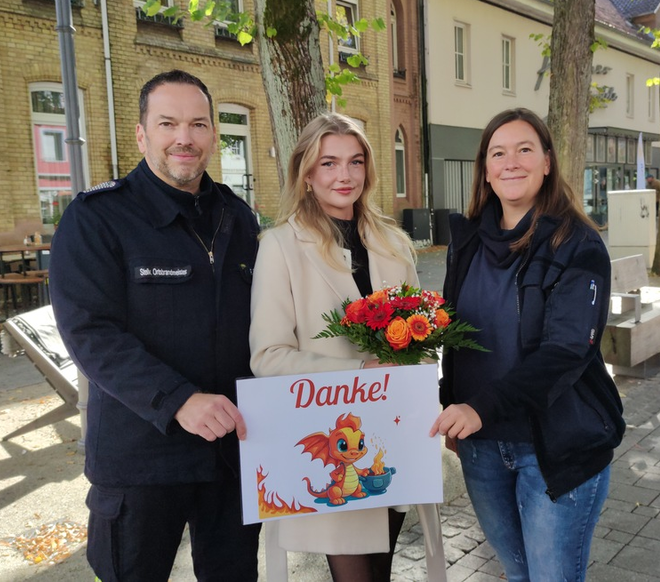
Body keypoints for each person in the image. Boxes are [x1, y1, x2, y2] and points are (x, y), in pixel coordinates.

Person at [49, 70, 262, 581]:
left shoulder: (239, 218)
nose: (183, 137)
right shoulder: (96, 218)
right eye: (167, 123)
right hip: (140, 457)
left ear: (213, 134)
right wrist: (178, 401)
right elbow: (90, 333)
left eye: (198, 124)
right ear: (142, 134)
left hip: (229, 457)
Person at [429, 108, 625, 582]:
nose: (510, 162)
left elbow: (566, 351)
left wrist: (479, 407)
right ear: (486, 169)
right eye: (498, 153)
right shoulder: (468, 240)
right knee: (519, 576)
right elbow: (460, 336)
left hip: (555, 447)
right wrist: (449, 401)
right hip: (481, 448)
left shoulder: (577, 244)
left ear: (547, 163)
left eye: (524, 150)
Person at [249, 113, 419, 582]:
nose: (344, 175)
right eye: (328, 163)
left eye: (355, 161)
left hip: (391, 438)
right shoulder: (280, 246)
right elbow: (268, 357)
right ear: (306, 173)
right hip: (334, 443)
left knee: (380, 572)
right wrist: (360, 373)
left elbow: (420, 338)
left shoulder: (392, 242)